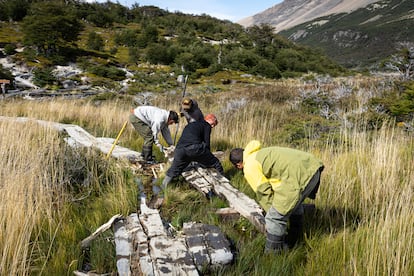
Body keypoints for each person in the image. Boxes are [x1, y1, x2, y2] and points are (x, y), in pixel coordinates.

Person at [229, 140, 324, 253]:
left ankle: (273, 255)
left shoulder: (249, 166)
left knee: (274, 218)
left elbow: (264, 192)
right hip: (312, 168)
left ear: (238, 165)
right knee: (294, 204)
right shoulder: (259, 154)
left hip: (298, 176)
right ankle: (294, 241)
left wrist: (272, 212)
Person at [153, 113, 224, 208]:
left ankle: (161, 191)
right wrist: (208, 156)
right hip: (194, 148)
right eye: (214, 124)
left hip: (180, 150)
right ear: (210, 120)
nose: (213, 126)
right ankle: (223, 185)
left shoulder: (191, 124)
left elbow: (187, 139)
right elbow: (207, 144)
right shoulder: (206, 125)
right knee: (215, 163)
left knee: (174, 170)